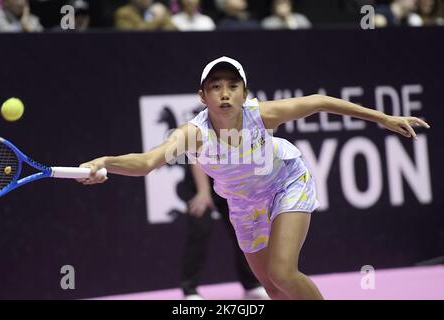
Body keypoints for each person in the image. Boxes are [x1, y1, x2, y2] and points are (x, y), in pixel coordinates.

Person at [78, 56, 430, 299]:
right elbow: (147, 162)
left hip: (286, 182)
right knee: (274, 290)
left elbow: (320, 101)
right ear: (203, 96)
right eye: (215, 86)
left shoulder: (261, 115)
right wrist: (106, 161)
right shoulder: (192, 134)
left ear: (244, 93)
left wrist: (382, 118)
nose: (225, 92)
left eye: (233, 85)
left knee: (282, 272)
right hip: (243, 205)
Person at [178, 150, 268, 299]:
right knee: (200, 231)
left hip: (227, 181)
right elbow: (197, 156)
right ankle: (189, 291)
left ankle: (251, 285)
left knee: (243, 230)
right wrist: (203, 191)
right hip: (199, 184)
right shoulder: (203, 127)